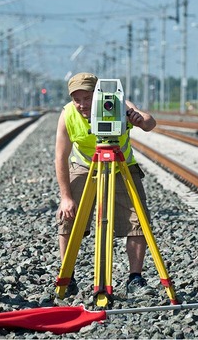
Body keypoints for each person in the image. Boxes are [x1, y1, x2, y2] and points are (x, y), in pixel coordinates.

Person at [54, 72, 157, 295]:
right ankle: (66, 277)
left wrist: (138, 119)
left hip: (122, 165)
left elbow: (150, 124)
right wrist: (66, 197)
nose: (82, 104)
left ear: (99, 94)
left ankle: (135, 278)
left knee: (137, 220)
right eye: (77, 99)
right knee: (67, 217)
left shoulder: (119, 103)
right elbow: (60, 157)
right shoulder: (68, 114)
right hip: (84, 166)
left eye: (87, 98)